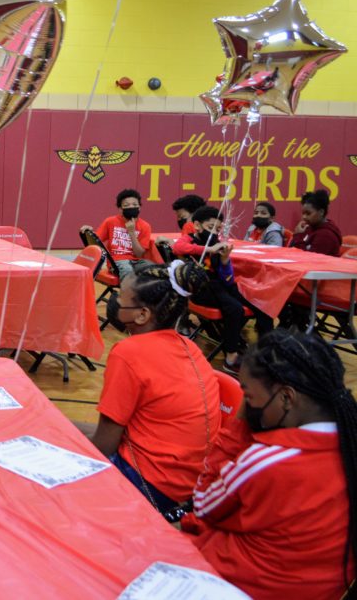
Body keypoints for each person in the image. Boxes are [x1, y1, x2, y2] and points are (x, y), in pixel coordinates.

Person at [181, 332, 357, 600]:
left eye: (249, 398)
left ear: (287, 397)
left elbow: (202, 503)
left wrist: (240, 424)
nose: (248, 406)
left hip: (237, 584)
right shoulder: (350, 445)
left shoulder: (268, 461)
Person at [87, 262, 221, 515]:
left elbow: (104, 445)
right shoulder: (189, 347)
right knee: (67, 430)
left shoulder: (128, 353)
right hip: (190, 483)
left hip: (150, 484)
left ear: (142, 315)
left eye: (120, 296)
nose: (114, 300)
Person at [173, 206, 274, 371]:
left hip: (219, 286)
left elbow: (227, 279)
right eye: (210, 227)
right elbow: (178, 248)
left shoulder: (217, 244)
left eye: (218, 229)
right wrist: (207, 249)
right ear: (197, 225)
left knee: (261, 305)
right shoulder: (190, 239)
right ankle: (231, 357)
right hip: (201, 289)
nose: (214, 232)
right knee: (234, 309)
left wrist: (225, 260)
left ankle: (266, 353)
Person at [79, 188, 153, 280]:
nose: (131, 207)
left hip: (137, 261)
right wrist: (88, 232)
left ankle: (143, 293)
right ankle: (129, 294)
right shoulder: (110, 222)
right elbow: (94, 242)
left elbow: (139, 254)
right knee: (127, 270)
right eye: (127, 205)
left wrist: (131, 233)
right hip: (117, 261)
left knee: (152, 269)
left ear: (139, 208)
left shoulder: (145, 226)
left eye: (134, 204)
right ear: (120, 209)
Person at [289, 189, 342, 256]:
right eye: (303, 213)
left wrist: (298, 236)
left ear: (321, 212)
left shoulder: (326, 235)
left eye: (308, 213)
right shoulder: (309, 228)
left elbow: (308, 260)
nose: (304, 217)